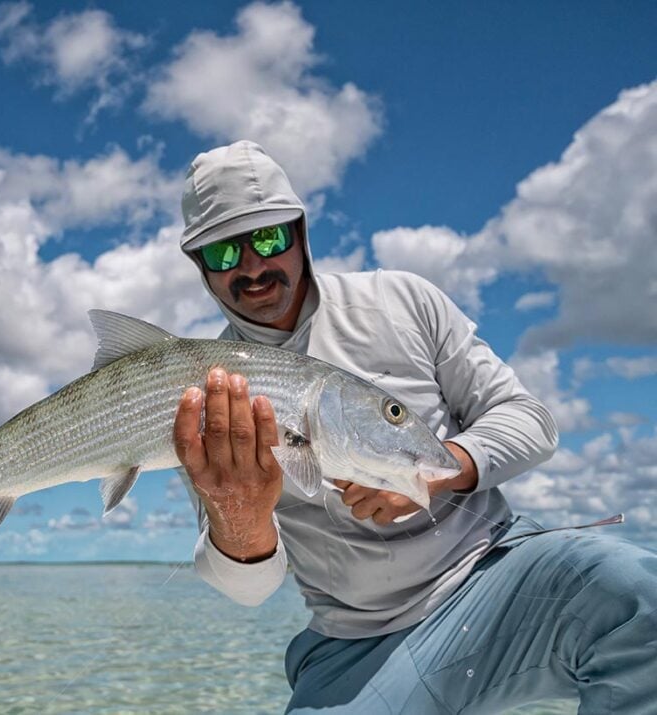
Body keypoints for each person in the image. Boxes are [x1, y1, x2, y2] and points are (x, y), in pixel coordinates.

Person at [172, 140, 657, 714]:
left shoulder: (402, 300)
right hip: (355, 643)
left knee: (637, 591)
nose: (252, 266)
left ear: (300, 232)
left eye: (269, 238)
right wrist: (242, 516)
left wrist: (439, 472)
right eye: (225, 252)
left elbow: (531, 420)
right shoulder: (200, 390)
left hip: (499, 578)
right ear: (201, 267)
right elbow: (245, 590)